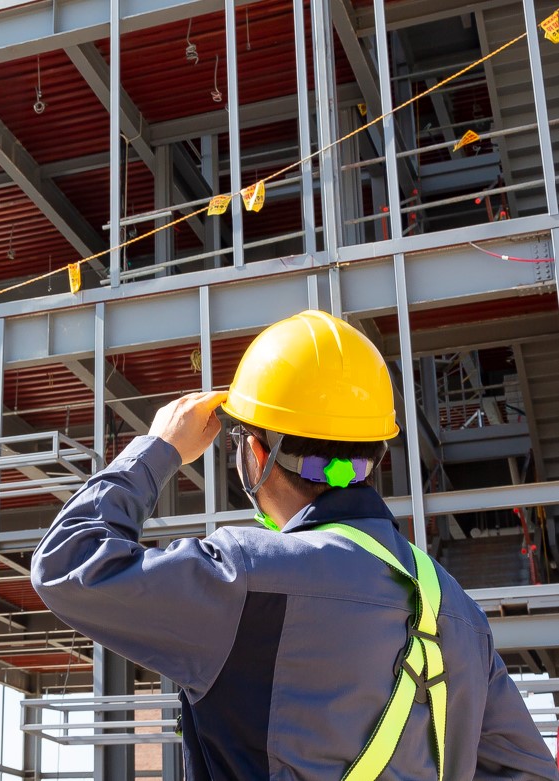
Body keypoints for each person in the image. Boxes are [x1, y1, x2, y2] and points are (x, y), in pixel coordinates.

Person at [31, 309, 559, 780]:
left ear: (256, 456)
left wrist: (159, 448)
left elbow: (67, 563)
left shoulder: (245, 578)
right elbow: (529, 771)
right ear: (374, 454)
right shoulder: (457, 613)